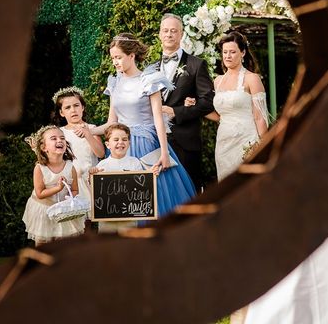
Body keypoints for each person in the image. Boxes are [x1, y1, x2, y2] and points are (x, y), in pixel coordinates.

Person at [93, 32, 196, 216]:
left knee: (152, 198)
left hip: (147, 146)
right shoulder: (114, 83)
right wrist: (88, 130)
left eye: (118, 57)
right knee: (124, 202)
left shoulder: (149, 81)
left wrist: (164, 153)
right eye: (113, 58)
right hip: (120, 146)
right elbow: (111, 123)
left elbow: (158, 119)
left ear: (131, 56)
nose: (115, 62)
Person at [152, 13, 215, 191]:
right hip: (156, 141)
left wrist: (176, 112)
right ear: (159, 34)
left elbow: (208, 102)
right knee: (162, 193)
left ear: (181, 34)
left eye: (173, 31)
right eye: (165, 31)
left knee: (189, 193)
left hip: (185, 142)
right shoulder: (151, 68)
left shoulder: (196, 65)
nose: (169, 34)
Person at [200, 31, 269, 181]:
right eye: (225, 52)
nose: (228, 56)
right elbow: (219, 116)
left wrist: (265, 149)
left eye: (232, 52)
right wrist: (196, 107)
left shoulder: (252, 79)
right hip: (224, 143)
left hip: (247, 140)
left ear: (243, 53)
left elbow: (260, 117)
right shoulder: (217, 81)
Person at [22, 125, 84, 245]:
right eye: (54, 138)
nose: (59, 140)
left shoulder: (70, 167)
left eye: (62, 138)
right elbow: (40, 194)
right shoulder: (40, 168)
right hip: (44, 209)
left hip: (63, 211)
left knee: (63, 243)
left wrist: (70, 200)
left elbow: (75, 189)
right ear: (44, 147)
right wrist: (58, 188)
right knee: (43, 243)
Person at [52, 86, 105, 215]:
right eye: (67, 108)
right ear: (61, 113)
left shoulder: (92, 128)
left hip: (90, 180)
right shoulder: (60, 133)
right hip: (71, 183)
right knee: (77, 220)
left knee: (94, 217)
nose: (73, 110)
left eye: (76, 105)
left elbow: (101, 153)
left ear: (83, 107)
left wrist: (88, 134)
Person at [89, 123, 144, 233]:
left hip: (129, 215)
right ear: (108, 144)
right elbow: (96, 192)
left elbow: (141, 187)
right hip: (106, 217)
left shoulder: (135, 163)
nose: (120, 142)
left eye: (124, 139)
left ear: (129, 143)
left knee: (129, 244)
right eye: (116, 139)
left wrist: (150, 176)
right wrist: (92, 177)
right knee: (107, 245)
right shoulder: (102, 166)